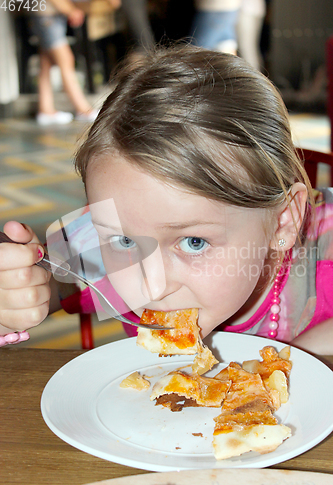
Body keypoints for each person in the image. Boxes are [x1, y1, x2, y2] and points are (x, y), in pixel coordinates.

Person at [0, 45, 332, 354]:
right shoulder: (102, 243)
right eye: (126, 241)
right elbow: (41, 281)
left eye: (194, 242)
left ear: (283, 221)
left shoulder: (326, 253)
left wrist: (308, 355)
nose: (153, 288)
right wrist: (13, 292)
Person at [28, 0, 121, 125]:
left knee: (46, 63)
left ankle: (45, 110)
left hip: (49, 16)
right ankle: (83, 110)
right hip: (47, 16)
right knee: (66, 60)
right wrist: (71, 10)